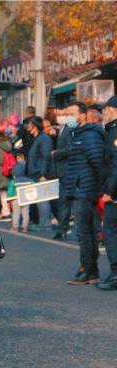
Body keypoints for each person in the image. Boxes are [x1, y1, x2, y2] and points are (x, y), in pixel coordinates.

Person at [64, 101, 106, 285]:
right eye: (67, 113)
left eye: (72, 113)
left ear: (83, 115)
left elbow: (98, 162)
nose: (69, 117)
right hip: (80, 188)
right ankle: (91, 270)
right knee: (86, 231)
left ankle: (87, 269)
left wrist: (98, 188)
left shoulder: (89, 135)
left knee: (84, 231)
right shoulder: (77, 134)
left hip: (85, 189)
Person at [97, 96, 117, 290]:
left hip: (115, 193)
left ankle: (115, 275)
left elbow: (115, 162)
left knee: (110, 231)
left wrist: (110, 191)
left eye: (106, 109)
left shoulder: (114, 131)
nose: (104, 113)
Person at [52, 106, 75, 239]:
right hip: (62, 170)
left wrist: (56, 153)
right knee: (63, 201)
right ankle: (63, 228)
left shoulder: (69, 129)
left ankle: (63, 229)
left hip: (67, 169)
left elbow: (69, 149)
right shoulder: (61, 129)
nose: (61, 116)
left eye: (64, 114)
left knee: (65, 201)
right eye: (59, 114)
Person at [7, 150, 31, 232]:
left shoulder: (14, 181)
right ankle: (25, 227)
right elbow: (34, 187)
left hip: (15, 199)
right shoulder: (29, 180)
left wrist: (8, 199)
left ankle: (15, 227)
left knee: (16, 213)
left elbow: (10, 191)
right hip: (26, 198)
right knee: (25, 213)